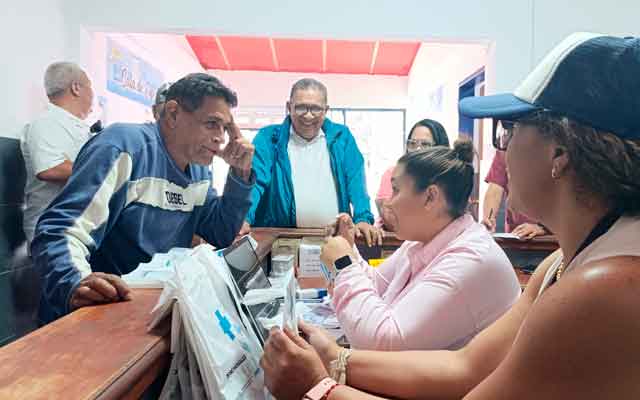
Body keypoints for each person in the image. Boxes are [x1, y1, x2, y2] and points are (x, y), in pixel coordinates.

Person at [260, 33, 640, 400]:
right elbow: (466, 368)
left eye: (508, 131)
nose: (501, 152)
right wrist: (336, 361)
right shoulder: (559, 264)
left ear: (560, 154)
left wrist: (318, 387)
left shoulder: (603, 288)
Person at [32, 73, 256, 324]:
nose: (221, 138)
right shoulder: (123, 146)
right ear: (172, 114)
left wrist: (240, 173)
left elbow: (220, 232)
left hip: (143, 311)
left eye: (225, 128)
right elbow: (60, 230)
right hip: (92, 312)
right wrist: (74, 282)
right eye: (212, 123)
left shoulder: (199, 170)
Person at [320, 139, 520, 351]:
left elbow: (385, 343)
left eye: (396, 190)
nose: (388, 202)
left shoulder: (471, 258)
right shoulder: (425, 239)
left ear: (430, 197)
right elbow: (376, 284)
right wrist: (348, 246)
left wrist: (344, 263)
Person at [241, 78, 381, 246]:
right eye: (300, 107)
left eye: (316, 109)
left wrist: (363, 218)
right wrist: (243, 217)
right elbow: (255, 181)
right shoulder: (268, 138)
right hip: (282, 241)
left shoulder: (341, 137)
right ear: (288, 107)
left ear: (326, 110)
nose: (308, 115)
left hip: (335, 240)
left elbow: (355, 180)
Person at [20, 62, 94, 246]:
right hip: (53, 230)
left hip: (75, 229)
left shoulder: (76, 126)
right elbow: (50, 169)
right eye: (90, 87)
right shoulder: (46, 123)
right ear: (76, 88)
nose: (92, 95)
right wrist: (105, 169)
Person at [376, 118, 450, 231]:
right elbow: (389, 217)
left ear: (440, 147)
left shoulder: (450, 177)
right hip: (394, 241)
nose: (417, 149)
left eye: (425, 144)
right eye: (412, 143)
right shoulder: (393, 174)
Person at [482, 150, 549, 239]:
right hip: (515, 235)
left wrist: (544, 228)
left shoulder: (552, 149)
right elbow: (495, 189)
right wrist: (488, 221)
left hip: (550, 237)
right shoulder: (505, 149)